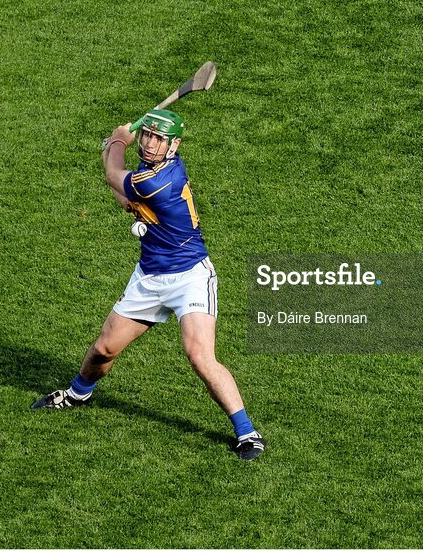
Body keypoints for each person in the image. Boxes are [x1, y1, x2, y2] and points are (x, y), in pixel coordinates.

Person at [31, 109, 265, 462]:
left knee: (199, 355)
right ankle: (78, 394)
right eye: (147, 135)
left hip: (190, 276)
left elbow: (114, 175)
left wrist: (117, 140)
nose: (150, 143)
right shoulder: (146, 173)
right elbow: (126, 198)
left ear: (175, 145)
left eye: (159, 138)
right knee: (103, 350)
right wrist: (113, 154)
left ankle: (247, 432)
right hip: (149, 277)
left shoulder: (160, 179)